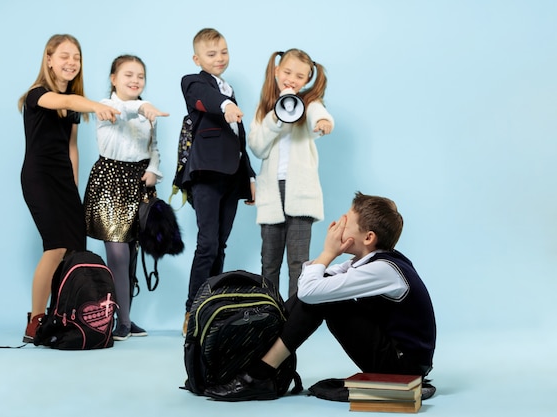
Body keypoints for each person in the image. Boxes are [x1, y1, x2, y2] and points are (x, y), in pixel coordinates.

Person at [204, 192, 437, 401]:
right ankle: (254, 365)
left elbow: (310, 291)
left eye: (346, 223)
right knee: (320, 289)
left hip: (403, 366)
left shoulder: (383, 270)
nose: (337, 227)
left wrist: (328, 252)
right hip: (394, 354)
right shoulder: (365, 262)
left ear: (368, 238)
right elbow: (312, 281)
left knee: (322, 298)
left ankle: (259, 375)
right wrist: (326, 257)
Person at [18, 34, 120, 343]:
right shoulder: (38, 94)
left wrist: (73, 186)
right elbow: (66, 100)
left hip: (64, 182)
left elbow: (72, 147)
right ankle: (34, 321)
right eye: (64, 56)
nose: (71, 62)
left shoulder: (73, 105)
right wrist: (95, 105)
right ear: (49, 59)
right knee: (55, 247)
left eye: (76, 57)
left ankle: (61, 315)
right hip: (39, 177)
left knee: (73, 249)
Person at [83, 55, 170, 341]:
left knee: (132, 252)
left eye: (140, 76)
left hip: (140, 181)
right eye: (128, 75)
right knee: (117, 254)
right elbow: (124, 110)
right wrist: (144, 106)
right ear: (113, 78)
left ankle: (126, 319)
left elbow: (153, 147)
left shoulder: (148, 116)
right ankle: (116, 321)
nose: (135, 80)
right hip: (111, 180)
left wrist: (154, 170)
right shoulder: (107, 106)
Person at [180, 28, 256, 335]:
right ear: (198, 58)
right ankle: (191, 310)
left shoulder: (229, 88)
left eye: (223, 51)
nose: (220, 58)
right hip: (206, 174)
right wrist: (226, 106)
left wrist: (249, 175)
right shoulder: (194, 83)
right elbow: (207, 99)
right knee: (207, 243)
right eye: (212, 54)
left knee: (220, 245)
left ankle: (210, 307)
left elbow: (239, 138)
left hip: (233, 175)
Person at [249, 49, 334, 298]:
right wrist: (275, 116)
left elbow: (318, 115)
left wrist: (324, 122)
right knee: (270, 262)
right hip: (271, 193)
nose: (291, 79)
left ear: (306, 80)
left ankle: (294, 318)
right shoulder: (264, 109)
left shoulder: (309, 105)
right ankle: (269, 313)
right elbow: (257, 147)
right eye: (287, 72)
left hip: (300, 193)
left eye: (299, 76)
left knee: (298, 263)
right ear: (276, 71)